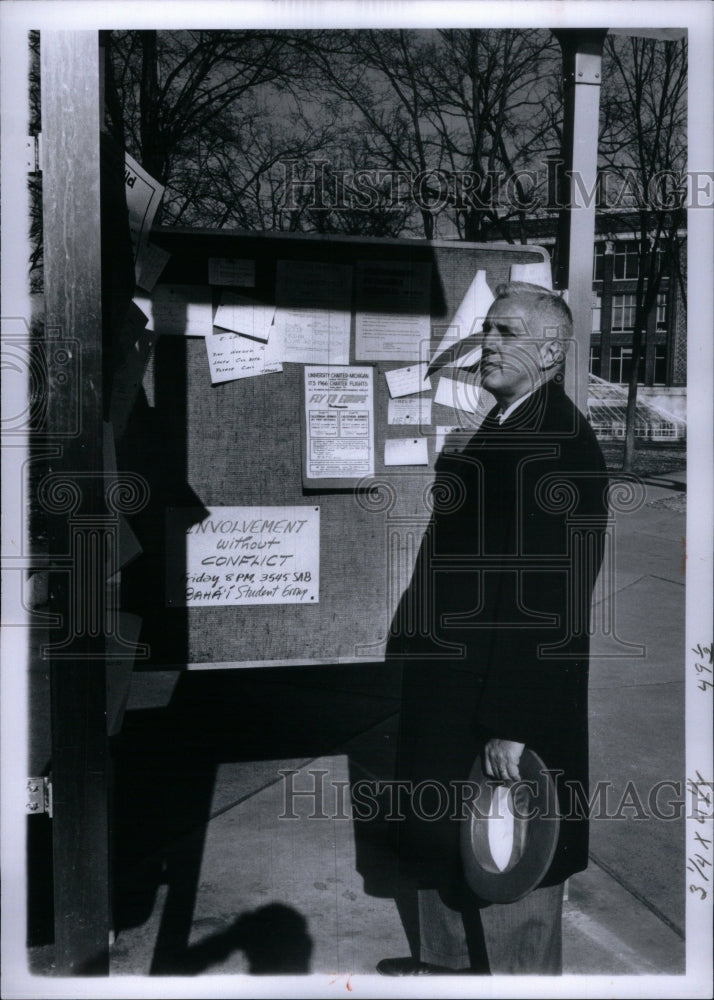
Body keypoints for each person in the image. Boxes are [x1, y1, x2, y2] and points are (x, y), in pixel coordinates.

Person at [378, 281, 609, 976]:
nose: (488, 345)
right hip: (454, 683)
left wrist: (517, 720)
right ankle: (445, 971)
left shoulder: (561, 445)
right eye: (488, 330)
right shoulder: (506, 421)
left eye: (506, 332)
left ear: (550, 350)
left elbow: (554, 597)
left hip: (503, 697)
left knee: (515, 856)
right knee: (449, 838)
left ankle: (521, 984)